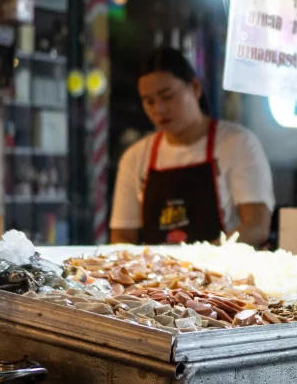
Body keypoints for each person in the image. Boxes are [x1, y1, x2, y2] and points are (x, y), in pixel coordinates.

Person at [109, 47, 275, 245]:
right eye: (149, 101)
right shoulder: (135, 157)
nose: (158, 109)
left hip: (222, 270)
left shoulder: (239, 144)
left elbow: (256, 226)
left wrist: (199, 262)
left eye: (167, 96)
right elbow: (121, 237)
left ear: (195, 87)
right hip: (158, 274)